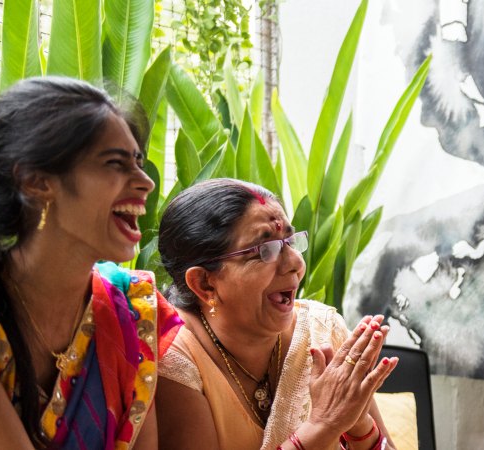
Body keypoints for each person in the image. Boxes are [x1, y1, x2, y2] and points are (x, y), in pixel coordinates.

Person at [0, 76, 180, 448]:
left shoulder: (132, 312)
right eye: (115, 163)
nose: (145, 182)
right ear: (35, 181)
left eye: (138, 163)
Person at [153, 179, 397, 450]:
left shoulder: (321, 331)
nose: (295, 263)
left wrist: (358, 423)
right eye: (265, 251)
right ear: (204, 283)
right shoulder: (173, 357)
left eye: (291, 242)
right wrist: (323, 425)